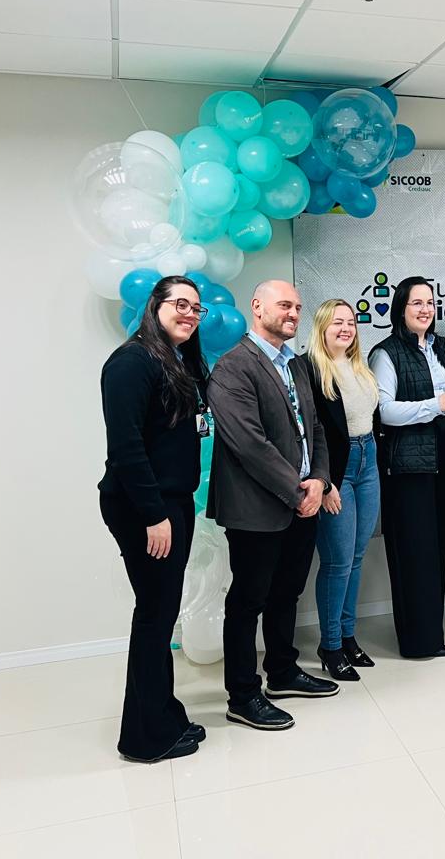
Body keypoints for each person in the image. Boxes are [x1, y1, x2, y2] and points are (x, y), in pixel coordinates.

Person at [206, 280, 335, 732]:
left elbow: (314, 429)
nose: (293, 313)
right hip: (257, 509)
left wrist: (320, 480)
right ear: (257, 307)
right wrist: (299, 491)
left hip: (303, 501)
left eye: (298, 307)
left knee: (287, 592)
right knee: (248, 601)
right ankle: (243, 696)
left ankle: (282, 672)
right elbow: (249, 444)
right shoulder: (233, 366)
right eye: (284, 305)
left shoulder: (294, 364)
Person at [99, 276, 210, 763]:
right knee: (154, 615)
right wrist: (154, 515)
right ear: (155, 306)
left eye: (196, 308)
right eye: (180, 304)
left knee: (162, 614)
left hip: (170, 503)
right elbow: (126, 447)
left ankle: (164, 714)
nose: (190, 313)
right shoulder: (131, 362)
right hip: (145, 508)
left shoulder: (174, 360)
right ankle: (143, 739)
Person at [370, 277, 445, 658]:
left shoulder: (439, 348)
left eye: (430, 303)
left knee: (436, 551)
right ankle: (415, 642)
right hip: (407, 470)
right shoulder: (386, 353)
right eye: (417, 303)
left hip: (443, 463)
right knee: (413, 554)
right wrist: (435, 405)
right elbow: (385, 411)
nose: (425, 309)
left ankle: (432, 636)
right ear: (401, 308)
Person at [305, 299, 380, 681]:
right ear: (322, 326)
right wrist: (327, 481)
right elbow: (309, 434)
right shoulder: (311, 370)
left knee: (356, 556)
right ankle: (330, 645)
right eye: (337, 322)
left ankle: (348, 637)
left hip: (369, 460)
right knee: (336, 562)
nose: (346, 328)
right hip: (337, 470)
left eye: (350, 322)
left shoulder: (359, 366)